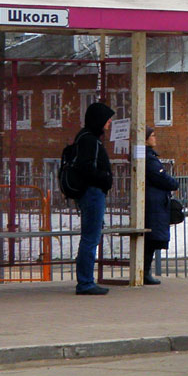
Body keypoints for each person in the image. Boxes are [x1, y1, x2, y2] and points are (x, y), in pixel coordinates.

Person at [74, 101, 115, 295]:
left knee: (91, 237)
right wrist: (105, 178)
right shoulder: (89, 140)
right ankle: (85, 282)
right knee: (90, 238)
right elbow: (87, 168)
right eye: (107, 119)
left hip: (92, 193)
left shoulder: (87, 138)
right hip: (92, 193)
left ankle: (86, 280)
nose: (109, 123)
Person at [143, 127, 179, 285]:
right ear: (145, 139)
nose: (155, 138)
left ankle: (145, 270)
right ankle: (144, 271)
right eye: (152, 136)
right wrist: (173, 183)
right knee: (150, 239)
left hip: (154, 202)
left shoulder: (148, 156)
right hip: (154, 204)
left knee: (150, 238)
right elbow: (161, 176)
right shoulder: (149, 158)